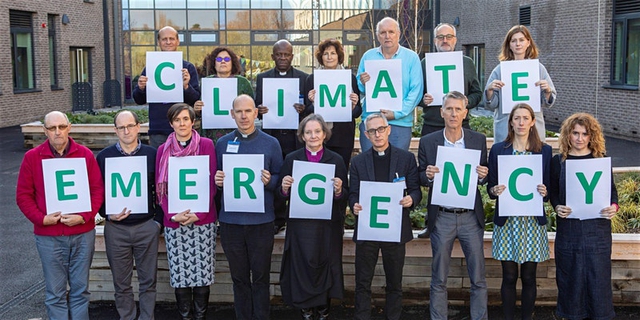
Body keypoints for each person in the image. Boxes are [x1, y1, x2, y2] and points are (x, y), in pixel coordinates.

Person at [16, 111, 104, 319]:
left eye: (61, 127)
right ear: (45, 131)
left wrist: (84, 216)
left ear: (69, 127)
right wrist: (41, 219)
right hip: (49, 236)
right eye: (52, 128)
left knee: (80, 290)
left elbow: (97, 190)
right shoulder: (32, 157)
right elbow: (23, 196)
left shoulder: (85, 155)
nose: (58, 132)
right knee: (55, 293)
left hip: (82, 233)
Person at [417, 91, 488, 319]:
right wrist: (427, 175)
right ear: (441, 112)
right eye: (449, 109)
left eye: (458, 109)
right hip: (443, 216)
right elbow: (420, 176)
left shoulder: (477, 140)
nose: (453, 113)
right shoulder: (428, 142)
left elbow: (484, 175)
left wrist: (483, 175)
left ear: (465, 113)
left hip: (469, 216)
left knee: (478, 277)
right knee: (439, 277)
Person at [215, 94, 283, 320]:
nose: (244, 116)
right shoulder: (223, 144)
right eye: (239, 111)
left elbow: (280, 180)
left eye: (248, 111)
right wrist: (218, 181)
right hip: (231, 223)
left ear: (256, 113)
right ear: (231, 114)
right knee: (240, 278)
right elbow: (216, 180)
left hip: (261, 223)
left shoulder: (271, 143)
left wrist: (269, 181)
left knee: (261, 278)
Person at [349, 113, 422, 320]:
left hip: (395, 230)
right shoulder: (358, 162)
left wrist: (412, 200)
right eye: (372, 131)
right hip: (368, 230)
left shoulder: (406, 158)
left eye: (381, 129)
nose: (377, 134)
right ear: (366, 134)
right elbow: (353, 192)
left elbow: (416, 190)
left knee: (394, 283)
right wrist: (354, 204)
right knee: (362, 282)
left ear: (388, 129)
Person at [277, 114, 348, 320]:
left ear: (324, 134)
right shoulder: (292, 159)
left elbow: (345, 196)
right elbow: (280, 196)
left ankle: (323, 306)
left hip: (327, 225)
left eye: (317, 131)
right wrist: (283, 188)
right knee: (301, 264)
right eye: (308, 132)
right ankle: (306, 307)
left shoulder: (336, 160)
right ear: (302, 135)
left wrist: (338, 191)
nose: (313, 135)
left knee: (324, 264)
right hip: (300, 224)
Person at [549, 113, 618, 320]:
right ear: (568, 135)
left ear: (591, 136)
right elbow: (553, 192)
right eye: (575, 133)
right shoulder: (558, 162)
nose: (579, 138)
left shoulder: (601, 160)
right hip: (569, 231)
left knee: (599, 278)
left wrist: (614, 207)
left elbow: (612, 193)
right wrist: (557, 206)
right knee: (571, 278)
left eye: (584, 134)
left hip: (597, 230)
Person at [487, 103, 551, 320]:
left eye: (525, 118)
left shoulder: (544, 151)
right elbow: (490, 188)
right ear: (511, 122)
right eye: (517, 118)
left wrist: (545, 191)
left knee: (530, 276)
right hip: (508, 221)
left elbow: (550, 189)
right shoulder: (498, 150)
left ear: (533, 122)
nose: (521, 122)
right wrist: (494, 190)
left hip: (532, 221)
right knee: (509, 275)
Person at [96, 110, 162, 320]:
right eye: (121, 127)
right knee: (121, 282)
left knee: (148, 280)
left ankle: (146, 317)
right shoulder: (104, 157)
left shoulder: (153, 154)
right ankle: (127, 317)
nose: (126, 131)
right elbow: (97, 191)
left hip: (146, 227)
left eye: (130, 126)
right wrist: (107, 214)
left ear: (138, 126)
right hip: (116, 229)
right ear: (115, 130)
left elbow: (162, 190)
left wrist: (158, 222)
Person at [156, 103, 217, 320]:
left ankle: (200, 316)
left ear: (193, 121)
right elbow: (160, 188)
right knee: (180, 274)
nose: (182, 123)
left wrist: (198, 214)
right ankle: (185, 316)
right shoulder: (163, 150)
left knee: (202, 274)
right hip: (175, 222)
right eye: (177, 120)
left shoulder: (207, 145)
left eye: (185, 119)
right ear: (171, 123)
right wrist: (172, 215)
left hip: (202, 222)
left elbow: (211, 184)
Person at [255, 39, 309, 234]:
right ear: (273, 56)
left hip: (295, 137)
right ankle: (277, 218)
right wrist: (259, 110)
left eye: (287, 54)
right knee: (276, 177)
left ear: (292, 56)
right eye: (279, 54)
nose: (283, 58)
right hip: (273, 136)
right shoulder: (263, 78)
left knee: (295, 176)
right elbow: (257, 106)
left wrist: (303, 110)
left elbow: (310, 109)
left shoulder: (304, 78)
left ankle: (294, 217)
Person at [356, 17, 423, 152]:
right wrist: (363, 82)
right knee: (370, 166)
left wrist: (397, 113)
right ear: (377, 35)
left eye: (391, 32)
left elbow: (416, 91)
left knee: (397, 167)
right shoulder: (368, 56)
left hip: (400, 123)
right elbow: (360, 88)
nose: (387, 36)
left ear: (398, 34)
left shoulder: (411, 58)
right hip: (371, 121)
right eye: (383, 32)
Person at [483, 25, 556, 144]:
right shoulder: (499, 70)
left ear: (528, 43)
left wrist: (547, 91)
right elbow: (491, 105)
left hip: (533, 130)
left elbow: (548, 102)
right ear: (509, 45)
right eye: (514, 41)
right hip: (506, 129)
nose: (518, 44)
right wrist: (490, 91)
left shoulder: (538, 69)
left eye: (521, 40)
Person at [133, 26, 200, 148]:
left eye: (171, 39)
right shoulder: (150, 67)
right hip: (158, 129)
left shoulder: (188, 67)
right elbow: (139, 100)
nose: (168, 42)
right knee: (160, 165)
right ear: (159, 42)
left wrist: (186, 86)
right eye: (164, 39)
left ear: (178, 41)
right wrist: (141, 88)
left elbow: (195, 99)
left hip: (182, 128)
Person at [303, 38, 362, 170]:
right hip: (320, 136)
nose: (329, 57)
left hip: (344, 135)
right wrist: (313, 103)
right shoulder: (312, 79)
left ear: (339, 56)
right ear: (321, 57)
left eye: (333, 53)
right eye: (326, 54)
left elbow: (358, 112)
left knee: (341, 171)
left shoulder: (349, 78)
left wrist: (353, 106)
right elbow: (307, 111)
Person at [419, 23, 482, 136]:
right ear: (434, 41)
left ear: (455, 40)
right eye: (440, 37)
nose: (445, 40)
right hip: (432, 125)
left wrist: (468, 101)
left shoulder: (467, 63)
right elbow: (415, 93)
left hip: (461, 125)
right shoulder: (425, 63)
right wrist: (423, 100)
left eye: (449, 36)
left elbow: (477, 93)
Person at [194, 46, 254, 142]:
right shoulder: (206, 82)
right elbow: (202, 110)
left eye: (226, 59)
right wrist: (197, 109)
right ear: (214, 62)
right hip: (210, 133)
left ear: (232, 62)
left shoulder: (243, 82)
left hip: (236, 132)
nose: (223, 61)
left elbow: (251, 108)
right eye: (219, 59)